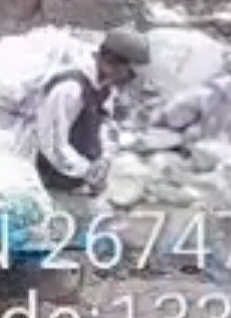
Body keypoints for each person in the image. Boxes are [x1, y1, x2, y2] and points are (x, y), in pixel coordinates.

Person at [8, 28, 148, 215]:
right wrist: (87, 172)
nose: (131, 77)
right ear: (111, 63)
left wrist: (103, 160)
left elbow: (106, 123)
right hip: (47, 175)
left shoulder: (105, 87)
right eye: (128, 70)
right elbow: (51, 144)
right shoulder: (70, 89)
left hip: (76, 172)